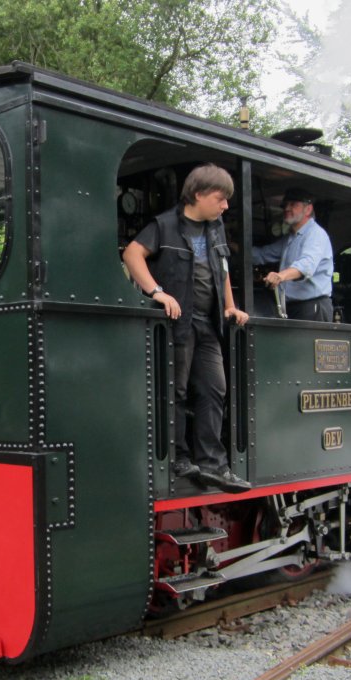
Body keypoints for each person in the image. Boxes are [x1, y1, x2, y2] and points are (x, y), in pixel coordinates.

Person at [122, 164, 251, 494]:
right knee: (175, 391)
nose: (225, 206)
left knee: (214, 388)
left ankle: (213, 464)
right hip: (178, 323)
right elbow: (132, 253)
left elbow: (222, 271)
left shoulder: (215, 228)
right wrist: (157, 292)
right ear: (198, 195)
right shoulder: (164, 225)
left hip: (208, 323)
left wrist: (229, 306)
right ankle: (178, 458)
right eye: (221, 199)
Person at [253, 187, 334, 322]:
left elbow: (306, 265)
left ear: (308, 209)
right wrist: (232, 247)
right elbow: (263, 254)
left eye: (293, 205)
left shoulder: (316, 234)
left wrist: (280, 276)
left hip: (313, 308)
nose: (287, 209)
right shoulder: (290, 239)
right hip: (292, 307)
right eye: (286, 205)